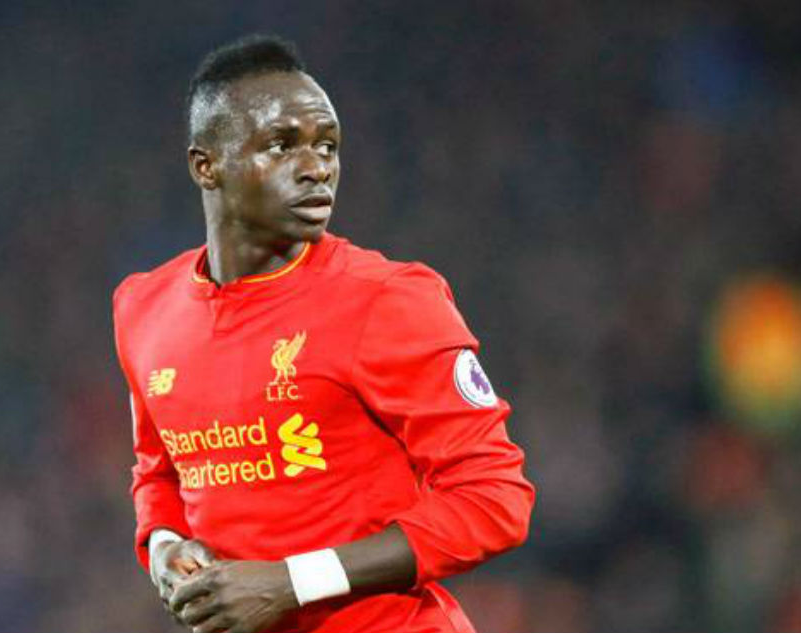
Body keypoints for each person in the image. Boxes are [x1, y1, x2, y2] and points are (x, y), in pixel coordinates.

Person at [112, 33, 535, 633]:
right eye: (281, 144)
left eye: (327, 145)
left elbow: (494, 499)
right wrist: (163, 543)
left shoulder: (388, 300)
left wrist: (292, 583)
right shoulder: (142, 307)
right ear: (206, 166)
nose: (316, 168)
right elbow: (160, 471)